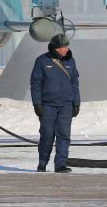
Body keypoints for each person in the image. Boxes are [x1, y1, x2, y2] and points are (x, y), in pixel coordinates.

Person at [30, 33, 80, 173]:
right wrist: (36, 103)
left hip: (66, 105)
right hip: (47, 105)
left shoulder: (71, 61)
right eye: (64, 47)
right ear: (57, 48)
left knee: (64, 134)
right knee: (47, 134)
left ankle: (60, 164)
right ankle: (42, 163)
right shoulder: (41, 61)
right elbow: (35, 84)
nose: (67, 49)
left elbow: (75, 84)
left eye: (67, 47)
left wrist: (76, 103)